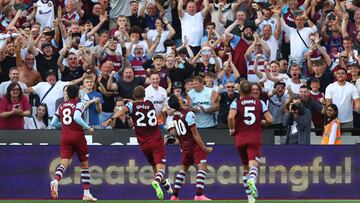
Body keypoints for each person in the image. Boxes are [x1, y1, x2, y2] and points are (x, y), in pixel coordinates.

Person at [103, 86, 172, 200]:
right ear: (144, 95)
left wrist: (111, 119)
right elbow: (145, 109)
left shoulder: (131, 106)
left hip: (144, 144)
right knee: (160, 169)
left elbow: (122, 111)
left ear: (134, 96)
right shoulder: (150, 103)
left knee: (155, 168)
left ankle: (165, 185)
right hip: (155, 140)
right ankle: (156, 182)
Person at [49, 85, 97, 201]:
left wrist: (66, 126)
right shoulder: (79, 104)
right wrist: (87, 127)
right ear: (77, 94)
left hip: (65, 136)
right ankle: (86, 193)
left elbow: (53, 123)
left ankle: (55, 180)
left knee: (64, 163)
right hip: (78, 136)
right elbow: (76, 117)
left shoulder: (61, 105)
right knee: (84, 165)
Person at [227, 80, 273, 203]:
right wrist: (261, 122)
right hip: (254, 137)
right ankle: (252, 179)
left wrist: (232, 129)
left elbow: (231, 117)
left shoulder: (236, 103)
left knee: (245, 167)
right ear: (251, 91)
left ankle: (250, 198)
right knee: (253, 166)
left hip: (240, 138)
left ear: (240, 91)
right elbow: (270, 120)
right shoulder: (260, 102)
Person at [167, 94, 213, 201]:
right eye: (178, 97)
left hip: (185, 147)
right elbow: (195, 133)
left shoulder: (175, 116)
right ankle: (199, 194)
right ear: (179, 101)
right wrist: (204, 148)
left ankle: (174, 196)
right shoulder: (188, 114)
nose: (180, 96)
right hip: (194, 145)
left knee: (183, 170)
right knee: (202, 168)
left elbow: (178, 134)